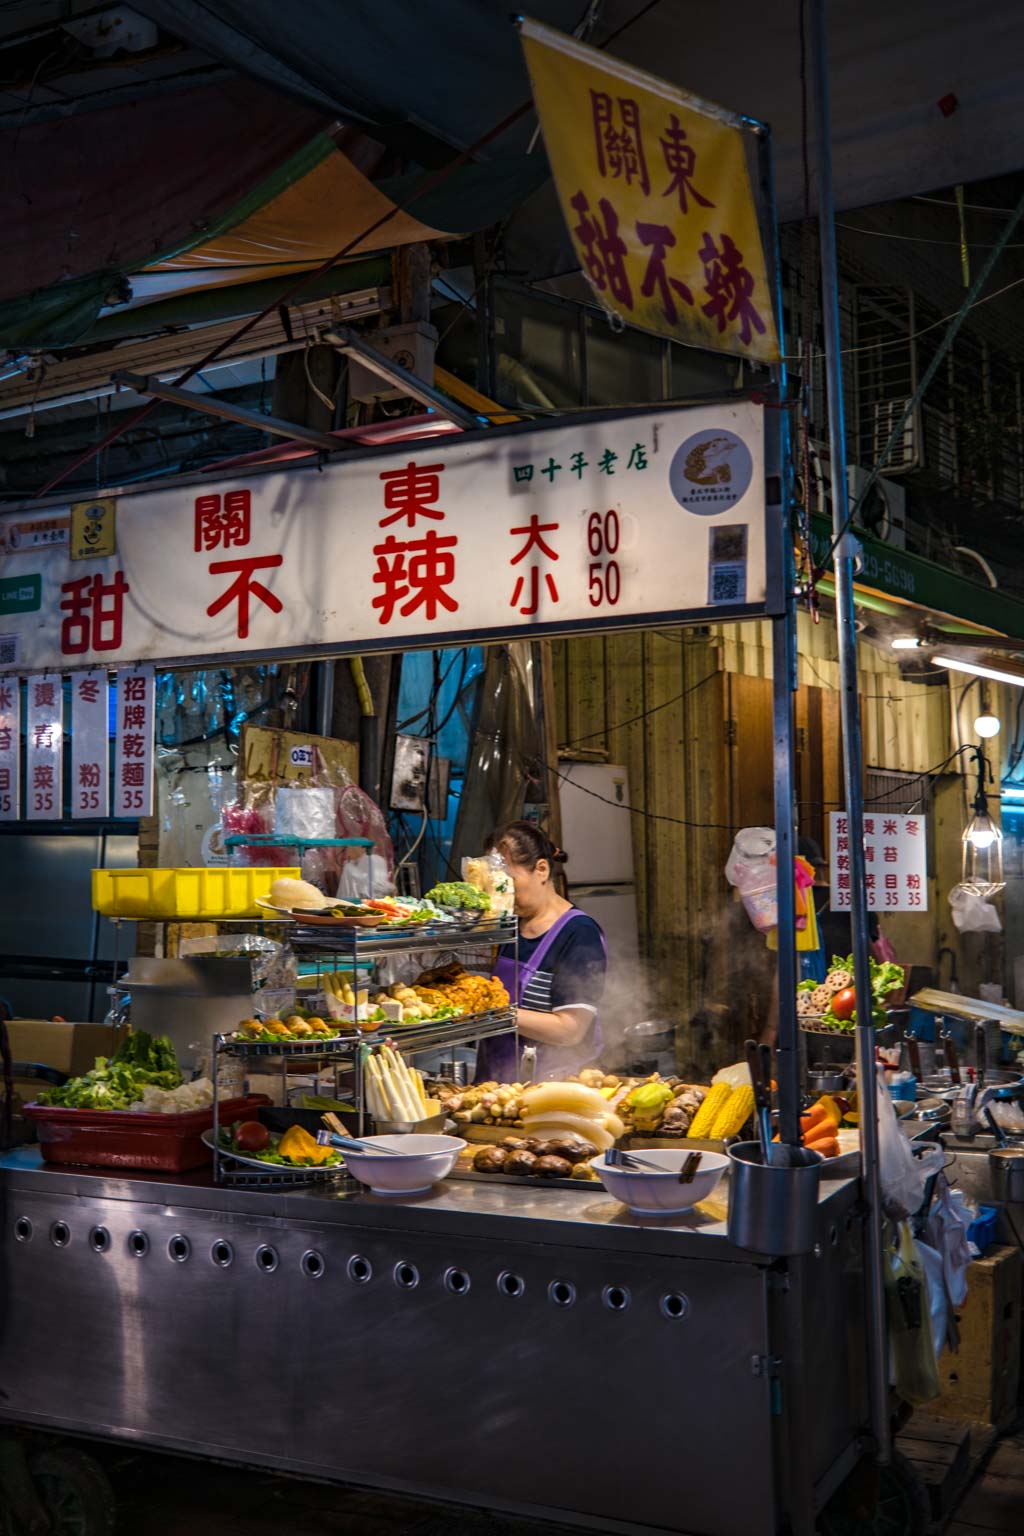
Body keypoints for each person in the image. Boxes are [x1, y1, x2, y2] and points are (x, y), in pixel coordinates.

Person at [473, 821, 607, 1083]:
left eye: (508, 881)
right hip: (493, 1085)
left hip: (554, 1087)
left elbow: (570, 1030)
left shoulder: (579, 933)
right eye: (494, 883)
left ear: (542, 869)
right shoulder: (507, 926)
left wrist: (491, 1013)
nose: (500, 892)